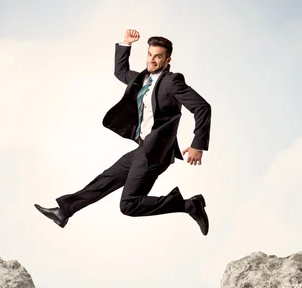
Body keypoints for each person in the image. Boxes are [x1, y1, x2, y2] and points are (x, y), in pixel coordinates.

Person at [35, 29, 212, 235]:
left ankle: (190, 206)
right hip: (143, 148)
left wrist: (198, 144)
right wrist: (126, 43)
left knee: (129, 205)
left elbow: (202, 107)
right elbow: (121, 72)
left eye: (158, 56)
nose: (152, 60)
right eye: (149, 54)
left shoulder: (172, 82)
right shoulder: (142, 79)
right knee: (105, 180)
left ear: (167, 59)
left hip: (156, 154)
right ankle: (64, 211)